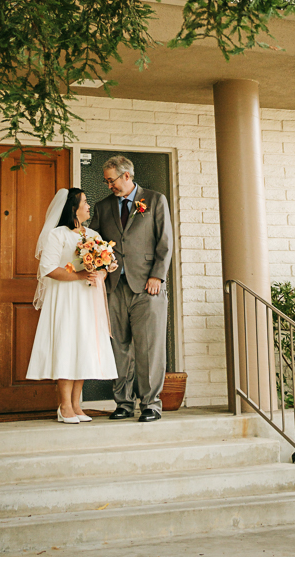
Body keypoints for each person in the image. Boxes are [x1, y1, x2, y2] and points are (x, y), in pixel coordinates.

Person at [91, 155, 173, 422]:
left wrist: (158, 277)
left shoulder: (155, 200)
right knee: (119, 347)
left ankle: (151, 404)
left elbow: (165, 243)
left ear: (127, 176)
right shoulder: (102, 207)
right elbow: (94, 244)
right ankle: (123, 403)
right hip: (114, 288)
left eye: (111, 180)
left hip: (148, 286)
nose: (108, 186)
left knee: (149, 347)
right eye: (106, 181)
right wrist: (97, 269)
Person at [26, 187, 117, 423]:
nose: (89, 206)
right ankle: (64, 406)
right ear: (73, 208)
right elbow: (48, 269)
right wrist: (79, 275)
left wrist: (102, 274)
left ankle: (77, 405)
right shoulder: (57, 235)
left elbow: (102, 269)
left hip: (88, 299)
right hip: (66, 298)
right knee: (67, 346)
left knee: (84, 347)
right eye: (85, 202)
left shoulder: (94, 235)